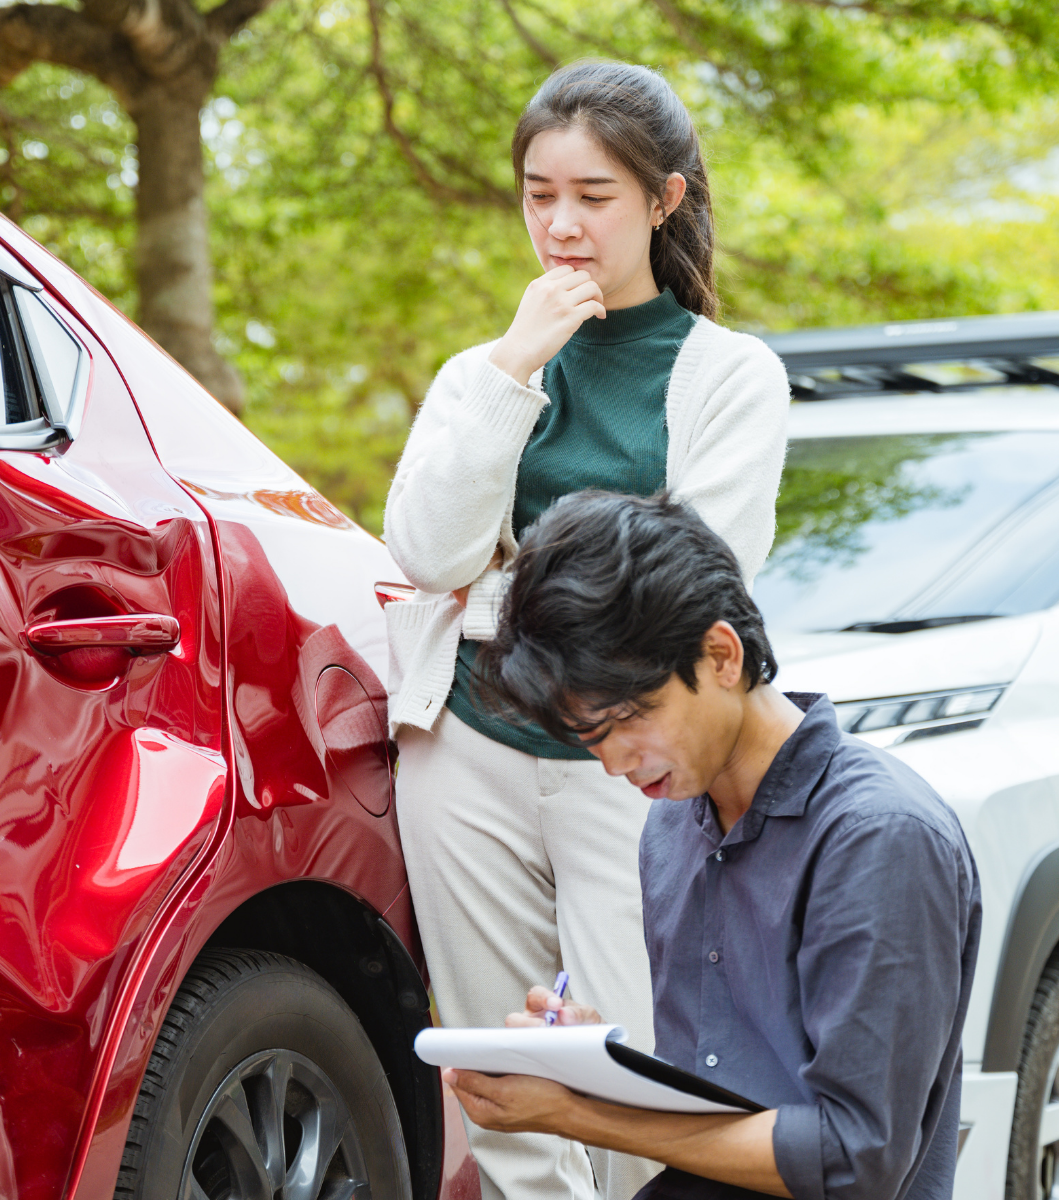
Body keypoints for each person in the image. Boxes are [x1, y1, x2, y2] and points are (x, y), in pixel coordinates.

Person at [381, 60, 788, 1200]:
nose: (559, 225)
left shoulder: (731, 376)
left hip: (639, 766)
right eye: (536, 193)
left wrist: (490, 599)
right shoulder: (488, 371)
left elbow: (689, 579)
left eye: (593, 196)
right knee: (501, 1078)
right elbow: (423, 552)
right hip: (463, 749)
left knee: (645, 1066)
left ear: (664, 199)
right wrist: (515, 367)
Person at [446, 490, 982, 1200]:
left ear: (721, 655)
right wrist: (592, 1065)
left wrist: (583, 1113)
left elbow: (853, 1159)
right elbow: (723, 1097)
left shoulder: (877, 837)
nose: (613, 763)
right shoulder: (672, 826)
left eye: (628, 719)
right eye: (590, 738)